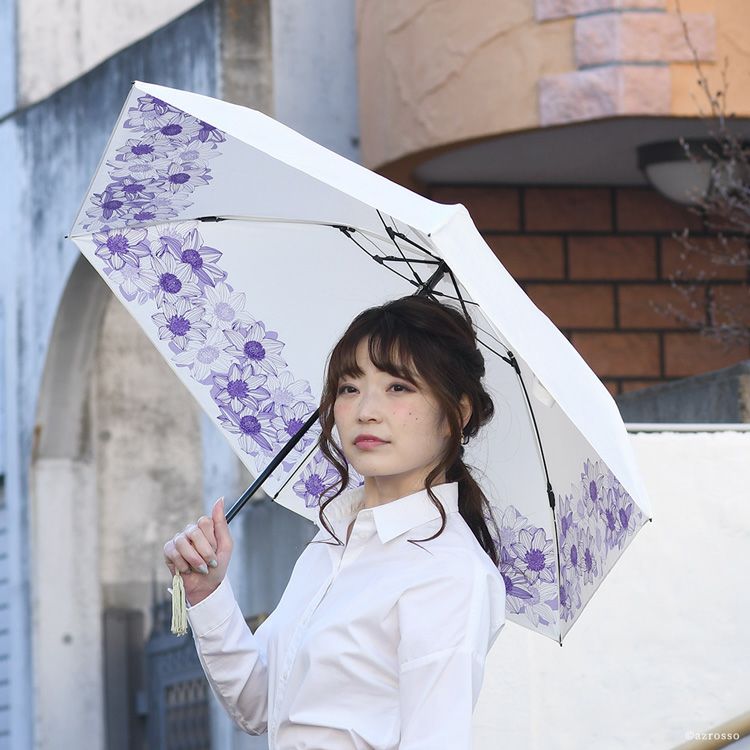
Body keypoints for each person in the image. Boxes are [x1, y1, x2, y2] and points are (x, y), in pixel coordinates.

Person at [163, 294, 507, 749]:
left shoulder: (448, 572)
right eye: (349, 388)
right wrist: (206, 592)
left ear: (456, 414)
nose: (366, 410)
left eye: (398, 387)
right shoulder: (332, 544)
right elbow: (259, 706)